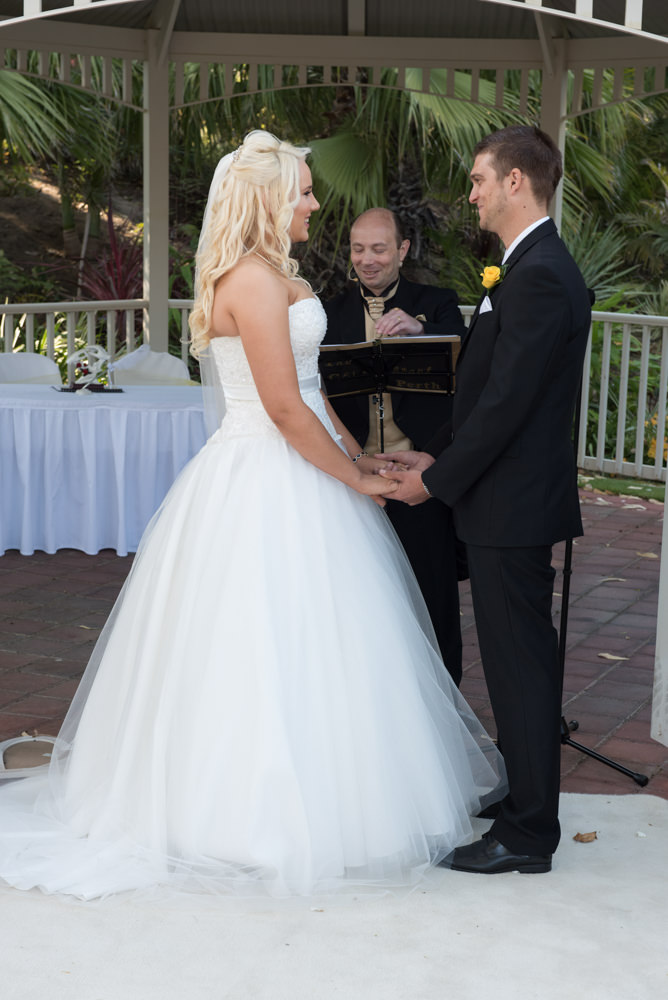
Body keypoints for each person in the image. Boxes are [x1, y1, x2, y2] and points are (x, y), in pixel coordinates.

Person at [0, 131, 505, 900]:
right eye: (302, 191)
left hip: (307, 466)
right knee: (251, 640)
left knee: (328, 642)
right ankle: (233, 815)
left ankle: (341, 795)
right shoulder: (252, 282)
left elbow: (314, 396)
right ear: (271, 199)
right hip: (259, 475)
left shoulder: (285, 277)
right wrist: (354, 479)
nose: (312, 203)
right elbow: (277, 409)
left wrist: (359, 457)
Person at [379, 125, 592, 874]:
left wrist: (433, 482)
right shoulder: (520, 264)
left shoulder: (538, 273)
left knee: (522, 666)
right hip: (501, 498)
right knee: (511, 664)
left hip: (515, 505)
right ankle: (521, 799)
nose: (468, 193)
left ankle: (529, 835)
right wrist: (438, 452)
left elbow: (508, 405)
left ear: (514, 183)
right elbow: (493, 394)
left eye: (477, 179)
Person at [323, 209, 466, 685]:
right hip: (354, 477)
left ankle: (444, 696)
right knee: (358, 598)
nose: (367, 259)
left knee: (432, 595)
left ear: (403, 250)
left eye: (379, 248)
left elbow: (468, 367)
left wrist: (423, 332)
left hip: (418, 473)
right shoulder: (328, 311)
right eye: (358, 249)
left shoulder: (439, 303)